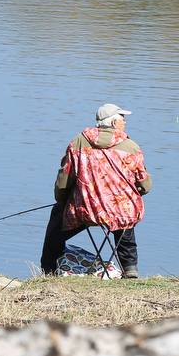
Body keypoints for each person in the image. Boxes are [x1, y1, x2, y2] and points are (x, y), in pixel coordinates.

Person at [40, 103, 152, 278]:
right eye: (123, 118)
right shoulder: (131, 147)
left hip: (86, 209)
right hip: (120, 212)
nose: (125, 122)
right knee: (125, 215)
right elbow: (145, 185)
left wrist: (62, 199)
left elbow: (64, 179)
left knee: (57, 218)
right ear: (114, 123)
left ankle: (48, 269)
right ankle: (130, 268)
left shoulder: (78, 142)